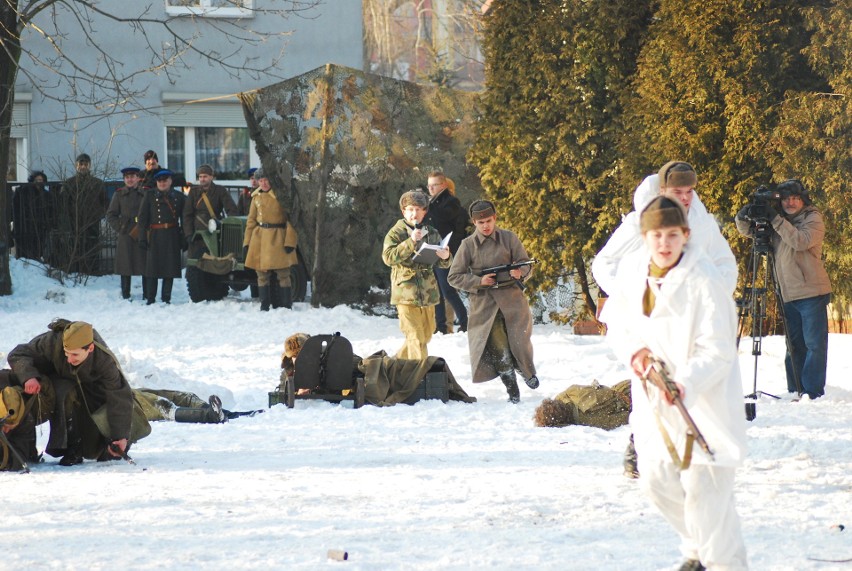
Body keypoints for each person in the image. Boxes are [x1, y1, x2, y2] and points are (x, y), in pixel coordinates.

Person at [600, 196, 748, 571]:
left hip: (703, 404)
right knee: (656, 481)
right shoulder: (634, 271)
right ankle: (696, 549)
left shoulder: (705, 281)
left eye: (672, 234)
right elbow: (618, 323)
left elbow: (717, 351)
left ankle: (720, 563)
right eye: (656, 235)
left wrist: (686, 382)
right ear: (645, 237)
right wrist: (636, 353)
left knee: (707, 495)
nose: (664, 243)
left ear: (685, 235)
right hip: (654, 403)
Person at [593, 161, 737, 477]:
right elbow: (603, 263)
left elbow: (726, 264)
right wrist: (631, 294)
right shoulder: (641, 223)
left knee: (690, 385)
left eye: (689, 191)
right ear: (662, 190)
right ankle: (639, 447)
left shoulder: (702, 223)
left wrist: (711, 295)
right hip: (648, 320)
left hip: (691, 323)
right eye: (677, 191)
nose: (685, 198)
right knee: (650, 387)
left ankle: (694, 453)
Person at [735, 179, 832, 399]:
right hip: (787, 293)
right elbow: (748, 231)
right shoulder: (779, 222)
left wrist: (775, 218)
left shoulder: (812, 218)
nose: (790, 203)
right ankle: (795, 389)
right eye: (786, 199)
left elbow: (800, 241)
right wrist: (745, 214)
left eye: (795, 198)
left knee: (814, 345)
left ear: (803, 199)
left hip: (812, 293)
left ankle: (813, 392)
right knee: (794, 345)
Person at [6, 319, 149, 466]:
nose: (69, 359)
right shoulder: (51, 341)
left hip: (92, 393)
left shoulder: (105, 362)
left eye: (75, 355)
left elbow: (118, 396)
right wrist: (28, 377)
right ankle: (72, 448)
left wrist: (120, 436)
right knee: (64, 392)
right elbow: (17, 354)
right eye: (66, 353)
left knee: (102, 445)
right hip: (51, 384)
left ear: (90, 349)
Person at [447, 199, 539, 403]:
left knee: (520, 342)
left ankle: (526, 371)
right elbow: (454, 276)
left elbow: (526, 264)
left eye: (489, 220)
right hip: (485, 304)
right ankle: (512, 390)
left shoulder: (509, 238)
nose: (486, 226)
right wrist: (479, 280)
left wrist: (519, 272)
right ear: (474, 223)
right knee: (500, 348)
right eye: (481, 223)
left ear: (495, 218)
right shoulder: (468, 245)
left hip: (513, 299)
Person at [382, 190, 451, 360]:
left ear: (425, 211)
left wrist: (446, 256)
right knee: (414, 337)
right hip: (406, 294)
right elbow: (388, 257)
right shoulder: (396, 233)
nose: (415, 213)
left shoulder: (432, 232)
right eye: (411, 209)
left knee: (425, 336)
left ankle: (393, 365)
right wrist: (410, 241)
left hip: (428, 294)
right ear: (403, 211)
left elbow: (443, 263)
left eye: (419, 209)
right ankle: (418, 378)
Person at [242, 168, 299, 310]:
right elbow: (251, 221)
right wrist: (247, 243)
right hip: (260, 238)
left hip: (278, 236)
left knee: (283, 273)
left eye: (266, 180)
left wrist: (290, 241)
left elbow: (292, 219)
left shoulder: (282, 196)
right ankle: (264, 305)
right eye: (260, 180)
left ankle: (286, 305)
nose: (263, 183)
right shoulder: (256, 197)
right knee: (261, 274)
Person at [423, 170, 469, 334]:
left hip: (446, 252)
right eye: (429, 186)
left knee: (448, 290)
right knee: (436, 291)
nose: (431, 188)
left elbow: (443, 218)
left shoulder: (451, 202)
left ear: (443, 185)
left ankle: (465, 323)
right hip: (433, 250)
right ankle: (440, 326)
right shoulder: (432, 203)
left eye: (434, 185)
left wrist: (428, 207)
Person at [137, 169, 186, 305]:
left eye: (165, 180)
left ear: (170, 181)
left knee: (169, 268)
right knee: (152, 268)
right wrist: (142, 237)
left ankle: (166, 298)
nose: (162, 183)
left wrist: (185, 236)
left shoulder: (179, 196)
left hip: (172, 234)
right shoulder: (149, 196)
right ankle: (151, 298)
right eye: (160, 181)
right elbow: (142, 219)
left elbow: (185, 218)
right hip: (154, 235)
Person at [59, 153, 107, 274]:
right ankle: (75, 272)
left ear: (89, 166)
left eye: (86, 164)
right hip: (74, 223)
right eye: (81, 164)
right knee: (76, 248)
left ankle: (93, 273)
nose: (83, 166)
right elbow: (63, 204)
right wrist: (68, 220)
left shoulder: (97, 183)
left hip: (92, 222)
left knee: (93, 247)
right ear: (76, 165)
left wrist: (98, 214)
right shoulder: (69, 183)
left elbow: (105, 202)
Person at [106, 166, 147, 301]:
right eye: (127, 177)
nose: (130, 180)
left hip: (142, 232)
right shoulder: (119, 194)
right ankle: (125, 293)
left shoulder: (146, 193)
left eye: (132, 177)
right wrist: (121, 227)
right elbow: (111, 215)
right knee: (125, 265)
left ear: (138, 178)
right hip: (126, 233)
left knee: (145, 264)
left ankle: (147, 294)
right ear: (124, 179)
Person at [183, 164, 238, 256]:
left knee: (214, 263)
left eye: (205, 176)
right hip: (197, 234)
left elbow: (231, 210)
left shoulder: (220, 190)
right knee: (196, 263)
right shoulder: (193, 191)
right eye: (200, 177)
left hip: (214, 232)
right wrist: (189, 234)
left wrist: (231, 229)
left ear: (211, 177)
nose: (202, 179)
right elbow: (187, 214)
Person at [533, 380, 631, 430]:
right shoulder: (566, 396)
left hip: (631, 398)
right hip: (624, 385)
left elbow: (622, 419)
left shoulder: (587, 419)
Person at [12, 170, 50, 260]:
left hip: (40, 227)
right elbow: (16, 209)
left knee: (39, 248)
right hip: (25, 226)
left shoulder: (46, 195)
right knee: (25, 250)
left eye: (41, 180)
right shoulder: (23, 192)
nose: (39, 182)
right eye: (37, 180)